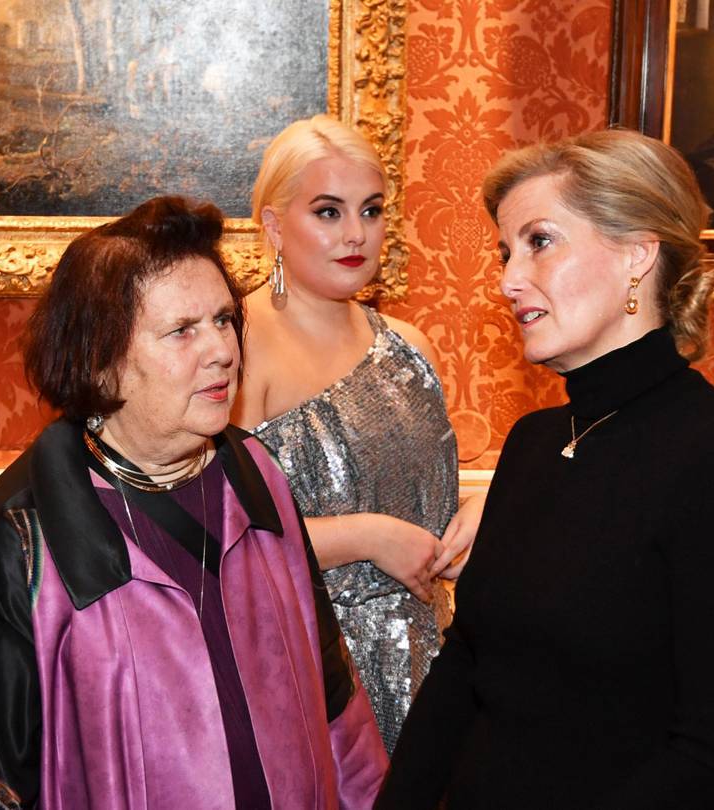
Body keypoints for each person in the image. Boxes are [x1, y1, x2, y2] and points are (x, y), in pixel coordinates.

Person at [376, 129, 714, 809]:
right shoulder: (535, 442)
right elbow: (466, 666)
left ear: (637, 254)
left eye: (539, 242)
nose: (508, 278)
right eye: (506, 252)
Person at [0, 196, 387, 809]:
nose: (222, 350)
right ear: (101, 360)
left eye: (224, 320)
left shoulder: (256, 475)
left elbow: (334, 691)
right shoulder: (24, 533)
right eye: (182, 331)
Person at [233, 114, 480, 753]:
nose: (355, 234)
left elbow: (425, 509)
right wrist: (366, 537)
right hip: (308, 680)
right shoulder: (233, 350)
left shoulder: (411, 349)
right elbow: (217, 539)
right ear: (273, 225)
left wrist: (476, 518)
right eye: (328, 212)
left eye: (370, 211)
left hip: (430, 669)